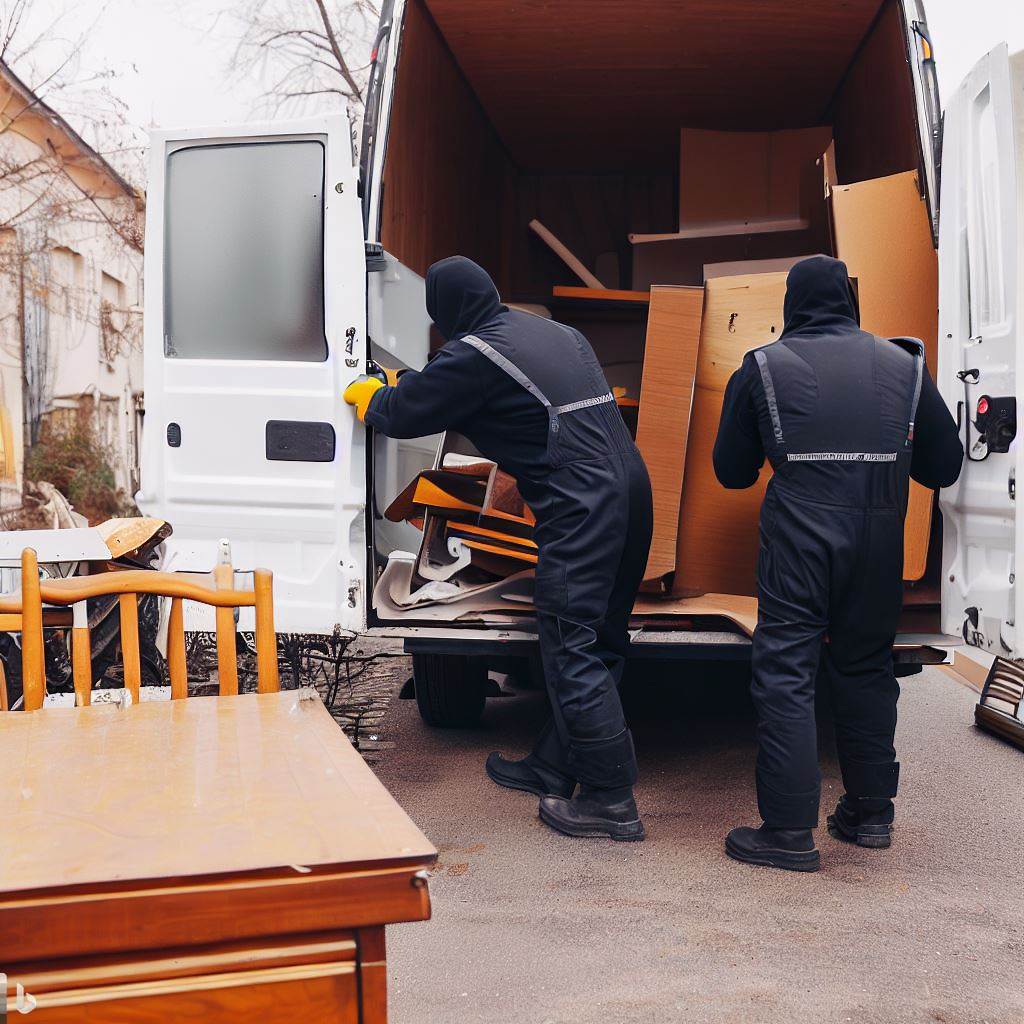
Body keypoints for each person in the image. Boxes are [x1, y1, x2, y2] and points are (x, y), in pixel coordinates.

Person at [344, 256, 653, 841]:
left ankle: (611, 801)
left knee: (570, 644)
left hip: (581, 503)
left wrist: (373, 395)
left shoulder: (472, 355)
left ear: (444, 313)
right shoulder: (553, 331)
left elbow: (405, 412)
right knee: (601, 637)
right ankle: (556, 765)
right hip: (632, 489)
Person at [713, 255, 963, 872]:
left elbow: (731, 472)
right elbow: (945, 466)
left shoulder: (763, 366)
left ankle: (788, 832)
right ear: (850, 303)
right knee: (865, 668)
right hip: (880, 538)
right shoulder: (905, 365)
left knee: (787, 674)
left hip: (801, 535)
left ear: (790, 306)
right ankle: (870, 813)